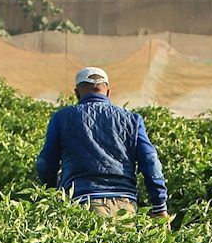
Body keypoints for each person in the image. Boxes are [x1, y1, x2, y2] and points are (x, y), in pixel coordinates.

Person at [33, 66, 168, 217]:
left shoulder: (62, 118)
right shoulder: (132, 119)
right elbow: (150, 161)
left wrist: (53, 190)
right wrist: (159, 205)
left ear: (76, 93)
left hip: (81, 203)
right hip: (124, 205)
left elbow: (44, 164)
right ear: (108, 93)